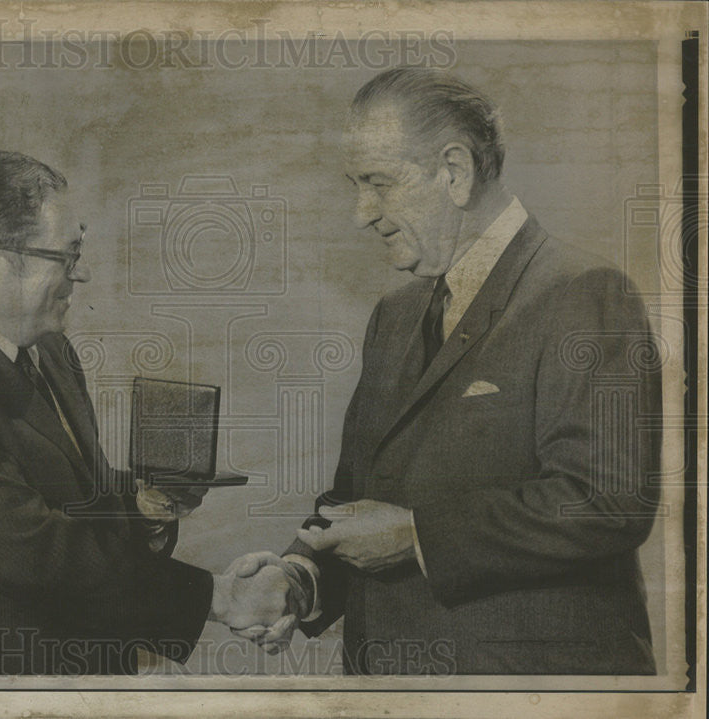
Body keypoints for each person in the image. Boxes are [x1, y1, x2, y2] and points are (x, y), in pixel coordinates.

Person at [233, 67, 661, 675]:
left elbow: (603, 502)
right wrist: (297, 576)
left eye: (378, 183)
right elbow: (355, 501)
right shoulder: (395, 314)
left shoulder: (585, 292)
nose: (361, 213)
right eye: (355, 185)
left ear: (454, 172)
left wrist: (415, 535)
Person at [0, 150, 306, 675]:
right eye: (67, 256)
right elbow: (34, 549)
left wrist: (148, 505)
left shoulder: (49, 348)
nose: (82, 275)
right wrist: (220, 597)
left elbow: (80, 496)